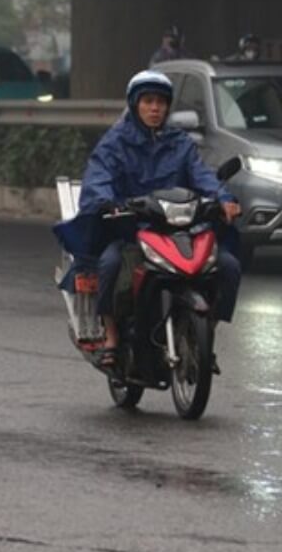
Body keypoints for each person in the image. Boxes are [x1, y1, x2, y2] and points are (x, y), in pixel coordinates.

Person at [63, 70, 242, 369]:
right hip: (132, 228)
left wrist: (224, 199)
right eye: (148, 101)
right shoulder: (115, 142)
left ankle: (205, 332)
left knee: (228, 266)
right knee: (108, 265)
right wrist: (106, 202)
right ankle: (111, 335)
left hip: (179, 228)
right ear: (135, 105)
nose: (155, 108)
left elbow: (201, 175)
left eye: (160, 102)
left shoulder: (180, 143)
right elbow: (98, 178)